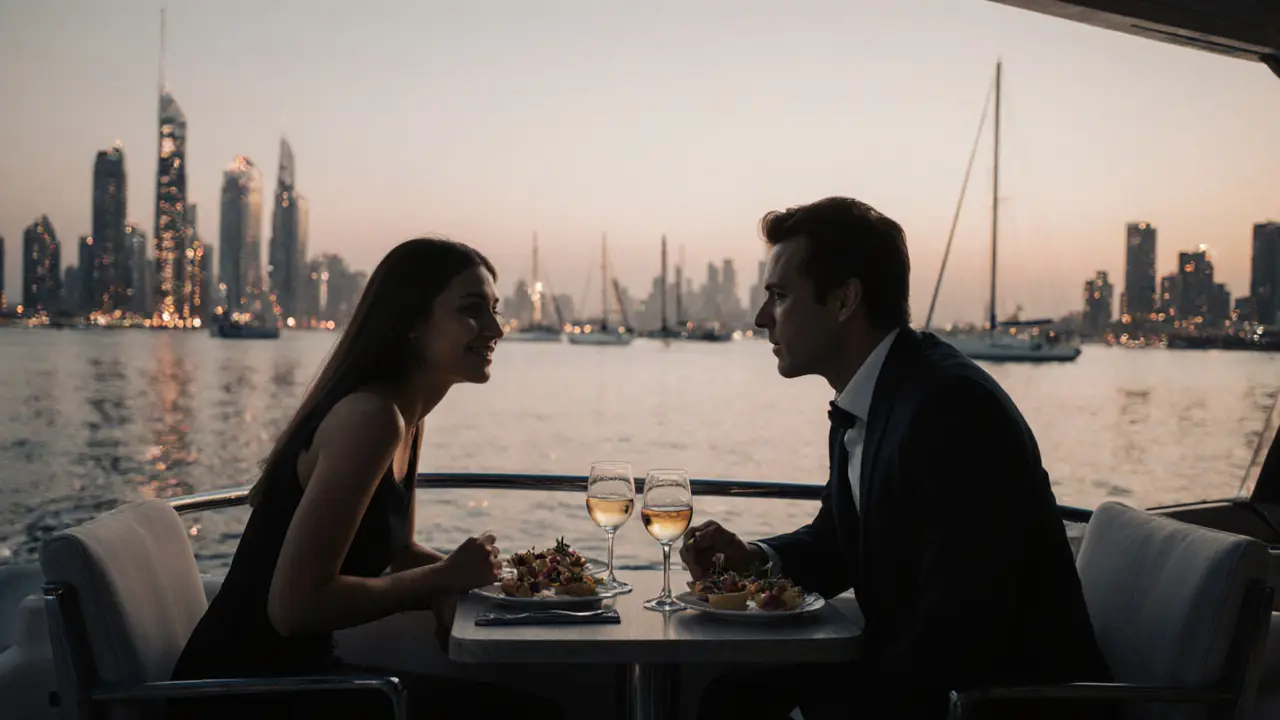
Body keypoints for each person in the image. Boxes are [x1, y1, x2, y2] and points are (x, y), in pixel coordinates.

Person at [681, 198, 1111, 720]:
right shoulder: (881, 395)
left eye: (779, 295)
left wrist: (817, 710)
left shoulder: (950, 410)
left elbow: (961, 627)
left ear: (845, 300)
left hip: (997, 703)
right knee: (729, 696)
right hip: (929, 675)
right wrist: (753, 559)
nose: (760, 318)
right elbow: (841, 539)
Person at [171, 238, 564, 720]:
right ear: (413, 324)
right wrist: (443, 578)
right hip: (239, 694)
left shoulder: (407, 418)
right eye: (472, 310)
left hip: (300, 678)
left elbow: (397, 552)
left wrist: (489, 582)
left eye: (494, 310)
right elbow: (294, 609)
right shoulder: (372, 419)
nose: (496, 329)